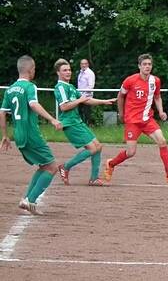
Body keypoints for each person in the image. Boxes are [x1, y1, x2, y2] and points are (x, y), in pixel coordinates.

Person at [104, 53, 168, 184]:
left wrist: (161, 111)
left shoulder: (155, 81)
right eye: (144, 64)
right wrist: (121, 113)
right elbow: (120, 96)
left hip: (147, 120)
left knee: (162, 141)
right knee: (130, 152)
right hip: (132, 121)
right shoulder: (130, 80)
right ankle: (111, 164)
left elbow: (157, 97)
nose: (147, 66)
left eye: (149, 64)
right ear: (139, 66)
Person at [0, 55, 63, 215]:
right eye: (34, 69)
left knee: (44, 166)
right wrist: (52, 119)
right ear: (30, 70)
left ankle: (27, 198)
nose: (34, 71)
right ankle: (30, 200)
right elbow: (33, 104)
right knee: (52, 166)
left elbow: (2, 112)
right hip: (31, 133)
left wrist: (5, 135)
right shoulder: (30, 87)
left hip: (18, 134)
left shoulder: (10, 89)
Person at [54, 58, 117, 186]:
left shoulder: (70, 87)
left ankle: (94, 178)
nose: (68, 72)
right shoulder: (60, 87)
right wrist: (79, 100)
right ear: (58, 73)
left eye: (69, 70)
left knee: (98, 147)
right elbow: (64, 107)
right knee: (93, 148)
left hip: (77, 121)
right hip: (69, 123)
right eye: (64, 70)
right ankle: (65, 167)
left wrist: (104, 102)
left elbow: (86, 100)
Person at [77, 58, 95, 125]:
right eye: (82, 64)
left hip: (87, 96)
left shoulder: (90, 73)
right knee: (80, 111)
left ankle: (88, 125)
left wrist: (83, 95)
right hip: (80, 96)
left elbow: (91, 86)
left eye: (85, 64)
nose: (83, 65)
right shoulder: (81, 72)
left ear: (88, 64)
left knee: (86, 112)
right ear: (80, 65)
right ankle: (82, 124)